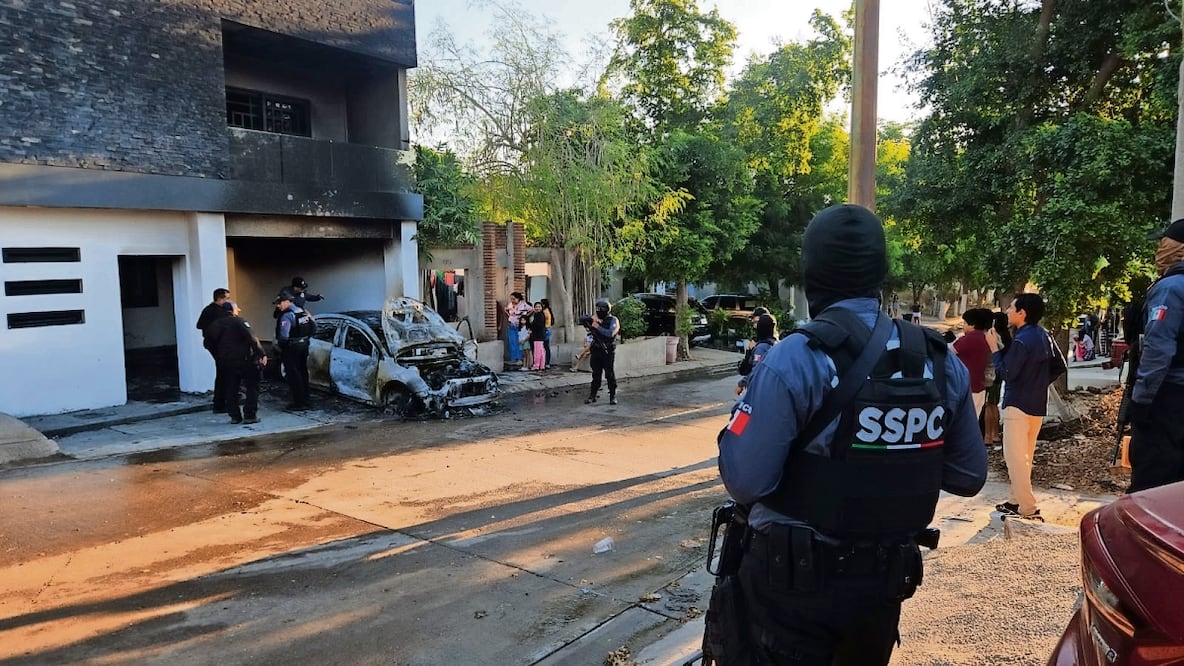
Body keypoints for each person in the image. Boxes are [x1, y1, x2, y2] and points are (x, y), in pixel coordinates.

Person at [716, 204, 987, 665]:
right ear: (879, 272)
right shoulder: (939, 361)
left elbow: (746, 480)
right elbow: (967, 475)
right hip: (879, 592)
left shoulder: (795, 358)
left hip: (789, 594)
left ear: (812, 271)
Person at [986, 292, 1061, 521]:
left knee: (1015, 458)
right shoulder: (1043, 335)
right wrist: (1037, 384)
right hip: (1036, 403)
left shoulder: (1022, 339)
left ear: (1022, 313)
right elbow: (1060, 366)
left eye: (1011, 308)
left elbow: (1006, 372)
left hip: (1017, 404)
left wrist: (994, 350)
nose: (1007, 311)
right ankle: (1016, 500)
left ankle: (1028, 508)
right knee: (1024, 455)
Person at [1127, 218, 1184, 492]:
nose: (1158, 252)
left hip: (1168, 396)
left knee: (1152, 484)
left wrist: (1140, 401)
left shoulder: (1171, 287)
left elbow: (1158, 348)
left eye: (1164, 245)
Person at [205, 301, 268, 424]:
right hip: (245, 360)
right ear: (231, 310)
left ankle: (234, 416)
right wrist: (261, 353)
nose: (238, 310)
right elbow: (252, 338)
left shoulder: (214, 325)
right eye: (236, 308)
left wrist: (218, 356)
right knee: (252, 387)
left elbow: (207, 344)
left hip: (226, 362)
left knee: (231, 388)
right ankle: (250, 415)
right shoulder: (239, 321)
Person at [273, 293, 315, 410]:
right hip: (304, 344)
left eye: (279, 303)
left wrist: (281, 347)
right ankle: (306, 399)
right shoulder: (303, 311)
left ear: (287, 301)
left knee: (293, 375)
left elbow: (283, 336)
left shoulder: (287, 315)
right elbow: (314, 326)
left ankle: (299, 402)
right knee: (303, 372)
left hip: (291, 347)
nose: (278, 306)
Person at [195, 288, 231, 413]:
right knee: (223, 373)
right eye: (227, 298)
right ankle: (220, 403)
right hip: (218, 345)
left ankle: (220, 403)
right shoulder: (218, 312)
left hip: (214, 344)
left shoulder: (208, 310)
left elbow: (199, 325)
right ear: (220, 299)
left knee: (222, 372)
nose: (228, 301)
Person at [952, 308, 993, 419]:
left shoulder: (969, 338)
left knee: (962, 423)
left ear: (972, 325)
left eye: (965, 323)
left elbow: (948, 351)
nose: (963, 325)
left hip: (967, 387)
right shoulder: (987, 337)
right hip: (980, 387)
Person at [982, 311, 1012, 445]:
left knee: (990, 405)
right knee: (994, 404)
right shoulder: (1008, 336)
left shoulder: (995, 336)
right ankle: (995, 433)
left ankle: (988, 435)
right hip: (1000, 373)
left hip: (992, 373)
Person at [584, 299, 620, 405]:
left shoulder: (613, 320)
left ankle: (612, 395)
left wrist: (598, 326)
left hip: (607, 350)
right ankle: (592, 395)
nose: (598, 311)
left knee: (609, 374)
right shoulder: (596, 319)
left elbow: (610, 333)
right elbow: (582, 319)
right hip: (596, 350)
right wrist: (591, 319)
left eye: (600, 309)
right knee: (596, 374)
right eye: (597, 309)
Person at [736, 313, 777, 396]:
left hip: (760, 390)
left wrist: (741, 384)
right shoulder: (775, 344)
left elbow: (756, 370)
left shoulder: (761, 347)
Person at [504, 292, 530, 369]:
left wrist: (524, 318)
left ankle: (520, 359)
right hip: (511, 325)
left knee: (519, 342)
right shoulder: (510, 305)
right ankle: (513, 359)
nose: (512, 300)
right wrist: (509, 316)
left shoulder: (523, 305)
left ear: (518, 298)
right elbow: (506, 310)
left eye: (514, 299)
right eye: (511, 299)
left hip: (519, 326)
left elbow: (531, 310)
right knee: (512, 342)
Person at [529, 302, 547, 371]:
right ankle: (542, 365)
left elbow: (537, 325)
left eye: (539, 307)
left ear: (541, 307)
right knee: (541, 351)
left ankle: (536, 365)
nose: (537, 308)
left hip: (537, 335)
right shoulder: (541, 314)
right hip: (541, 335)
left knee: (537, 352)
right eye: (536, 306)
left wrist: (531, 329)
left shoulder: (538, 315)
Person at [540, 298, 555, 369]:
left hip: (545, 329)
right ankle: (547, 362)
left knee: (545, 346)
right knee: (546, 347)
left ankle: (546, 362)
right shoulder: (549, 310)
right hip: (548, 329)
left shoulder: (545, 311)